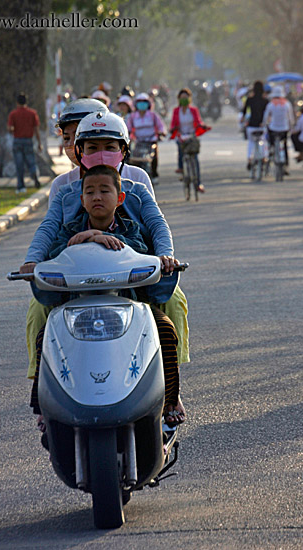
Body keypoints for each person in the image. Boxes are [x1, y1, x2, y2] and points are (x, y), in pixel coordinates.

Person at [20, 112, 189, 385]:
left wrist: (164, 256)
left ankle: (171, 389)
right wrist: (33, 261)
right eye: (92, 147)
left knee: (172, 304)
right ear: (79, 151)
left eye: (109, 147)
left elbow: (157, 224)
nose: (101, 154)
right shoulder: (65, 191)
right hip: (77, 278)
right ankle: (42, 391)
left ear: (123, 150)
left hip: (134, 275)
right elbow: (48, 230)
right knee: (39, 311)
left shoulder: (138, 186)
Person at [30, 165, 185, 428]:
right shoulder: (69, 230)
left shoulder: (131, 228)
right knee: (45, 336)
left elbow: (140, 250)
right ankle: (43, 405)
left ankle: (170, 399)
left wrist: (104, 237)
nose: (97, 197)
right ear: (81, 200)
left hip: (129, 306)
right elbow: (54, 253)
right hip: (75, 309)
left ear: (120, 198)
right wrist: (84, 238)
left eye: (105, 190)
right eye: (90, 192)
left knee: (166, 329)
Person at [49, 99, 154, 205]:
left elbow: (153, 218)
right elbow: (52, 220)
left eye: (78, 134)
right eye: (66, 138)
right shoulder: (62, 186)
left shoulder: (137, 179)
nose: (72, 144)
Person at [169, 88, 209, 192]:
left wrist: (202, 126)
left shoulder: (193, 110)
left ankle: (198, 183)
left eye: (186, 98)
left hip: (192, 135)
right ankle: (181, 167)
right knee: (180, 146)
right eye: (182, 98)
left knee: (195, 158)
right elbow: (173, 124)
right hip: (181, 135)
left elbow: (198, 121)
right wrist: (173, 129)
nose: (184, 100)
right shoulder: (176, 111)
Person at [126, 92, 166, 184]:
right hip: (138, 141)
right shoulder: (133, 116)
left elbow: (161, 126)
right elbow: (128, 128)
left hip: (151, 141)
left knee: (154, 157)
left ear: (148, 104)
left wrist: (161, 133)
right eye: (140, 102)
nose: (142, 104)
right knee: (134, 159)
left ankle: (154, 174)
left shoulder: (153, 115)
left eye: (144, 102)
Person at [7, 93, 42, 193]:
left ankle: (21, 186)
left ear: (17, 102)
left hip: (17, 140)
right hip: (28, 140)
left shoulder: (13, 114)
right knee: (31, 161)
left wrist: (13, 129)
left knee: (19, 164)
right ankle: (33, 173)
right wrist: (39, 143)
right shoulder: (32, 113)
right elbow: (36, 129)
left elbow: (10, 128)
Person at [262, 86, 294, 175]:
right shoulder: (287, 104)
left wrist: (264, 124)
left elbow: (265, 118)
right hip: (284, 129)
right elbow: (291, 117)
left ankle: (271, 154)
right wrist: (292, 126)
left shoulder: (271, 104)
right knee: (284, 145)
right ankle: (286, 165)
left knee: (271, 144)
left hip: (273, 129)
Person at [240, 81, 269, 170]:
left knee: (251, 142)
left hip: (251, 125)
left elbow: (244, 111)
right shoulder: (265, 101)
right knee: (263, 141)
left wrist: (243, 119)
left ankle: (249, 159)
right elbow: (268, 114)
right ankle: (264, 157)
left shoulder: (249, 99)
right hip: (261, 126)